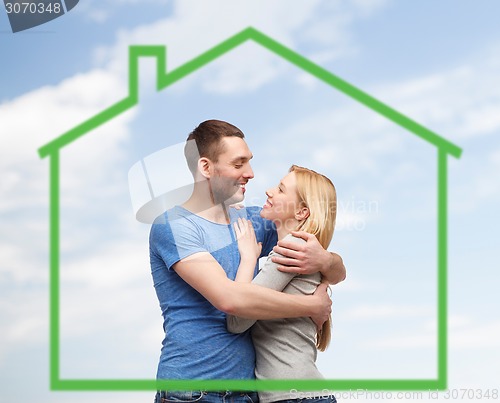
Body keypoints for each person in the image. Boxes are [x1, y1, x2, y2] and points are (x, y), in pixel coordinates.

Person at [149, 120, 346, 403]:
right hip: (192, 392)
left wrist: (326, 259)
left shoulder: (252, 222)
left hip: (251, 395)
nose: (251, 174)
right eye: (239, 164)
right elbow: (230, 301)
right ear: (206, 168)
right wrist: (311, 305)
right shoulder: (175, 226)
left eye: (249, 163)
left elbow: (317, 248)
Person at [227, 165, 338, 403]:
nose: (268, 191)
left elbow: (237, 320)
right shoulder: (303, 250)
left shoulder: (291, 251)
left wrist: (248, 258)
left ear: (301, 213)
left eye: (280, 189)